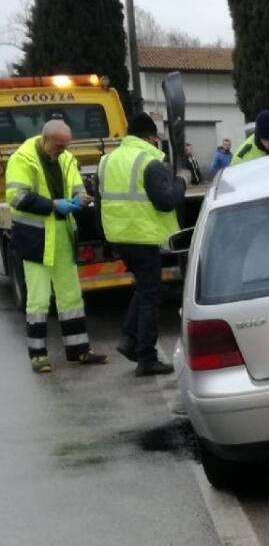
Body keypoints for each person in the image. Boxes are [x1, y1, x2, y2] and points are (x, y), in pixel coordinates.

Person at [4, 120, 107, 372]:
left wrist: (80, 199)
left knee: (71, 297)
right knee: (38, 299)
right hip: (35, 239)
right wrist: (54, 205)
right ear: (45, 140)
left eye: (66, 146)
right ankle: (38, 355)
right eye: (59, 146)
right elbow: (16, 197)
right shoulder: (23, 159)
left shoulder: (65, 158)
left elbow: (77, 188)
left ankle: (78, 351)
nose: (63, 150)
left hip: (61, 236)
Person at [98, 112, 186, 376]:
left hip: (118, 236)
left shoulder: (108, 160)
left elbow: (101, 201)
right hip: (142, 236)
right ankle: (146, 357)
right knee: (151, 294)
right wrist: (181, 181)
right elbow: (167, 201)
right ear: (150, 137)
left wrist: (106, 240)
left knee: (146, 287)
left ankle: (128, 339)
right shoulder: (150, 162)